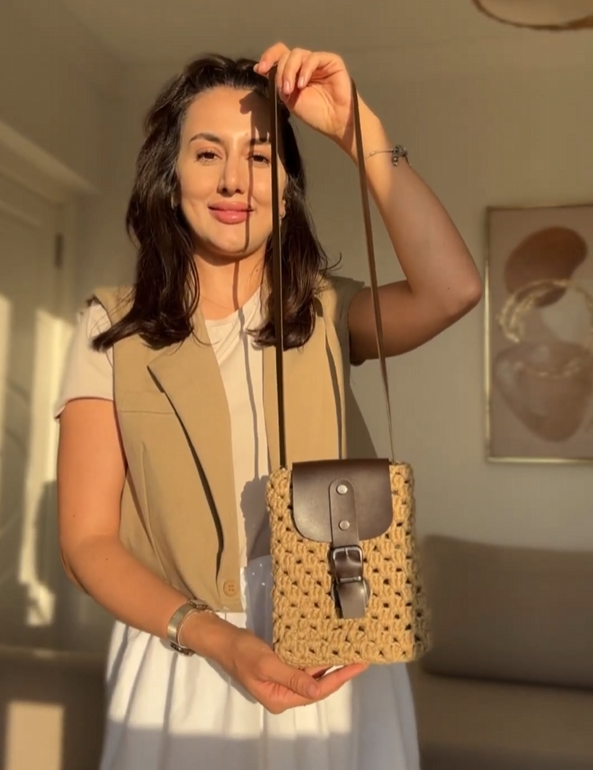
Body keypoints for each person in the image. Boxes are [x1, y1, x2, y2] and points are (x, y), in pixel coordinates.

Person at [56, 42, 482, 770]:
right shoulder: (112, 328)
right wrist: (220, 640)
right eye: (206, 153)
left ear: (285, 189)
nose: (233, 179)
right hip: (185, 660)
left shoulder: (326, 312)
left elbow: (453, 289)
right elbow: (88, 542)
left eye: (258, 157)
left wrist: (358, 133)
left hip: (336, 648)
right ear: (169, 177)